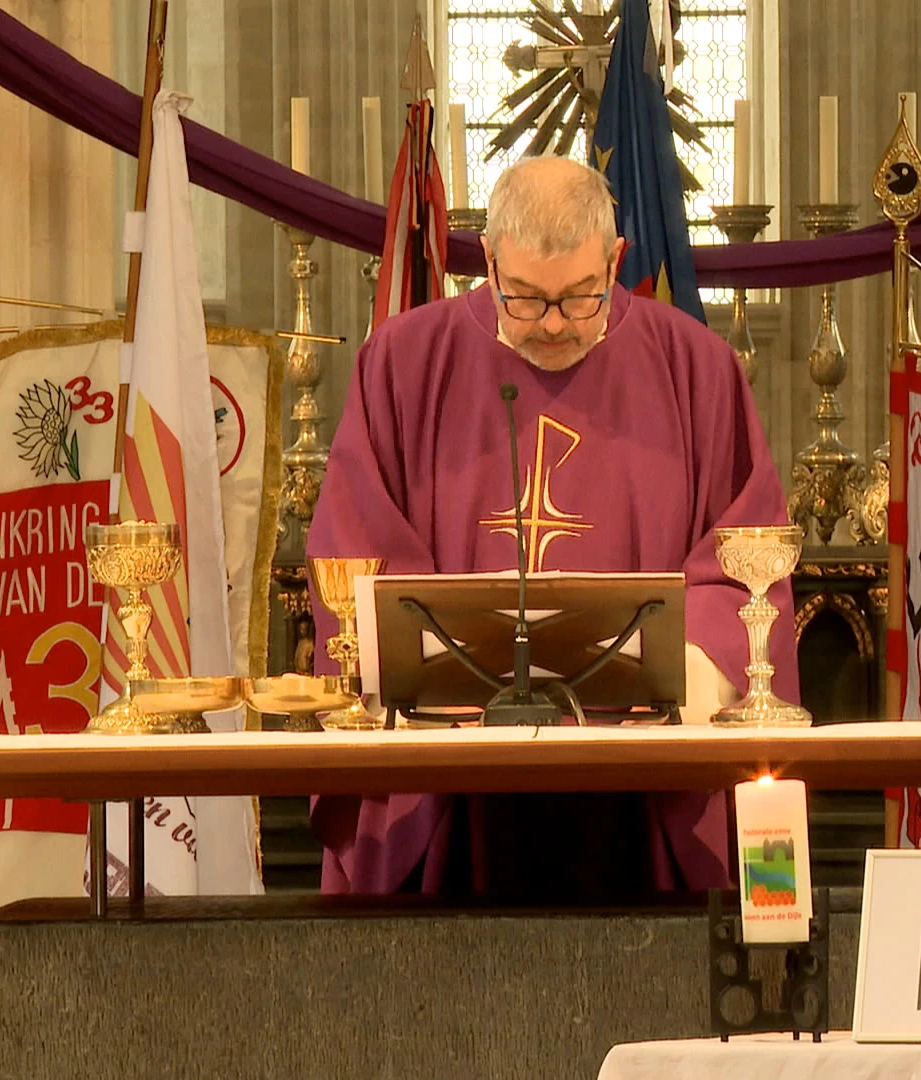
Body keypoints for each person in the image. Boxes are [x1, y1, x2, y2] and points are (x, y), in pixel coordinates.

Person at [305, 155, 798, 899]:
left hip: (647, 773)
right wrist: (438, 685)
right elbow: (356, 546)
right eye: (527, 299)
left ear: (616, 260)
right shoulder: (404, 362)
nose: (554, 325)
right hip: (454, 775)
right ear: (490, 261)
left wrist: (681, 676)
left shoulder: (696, 367)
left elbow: (744, 558)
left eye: (580, 297)